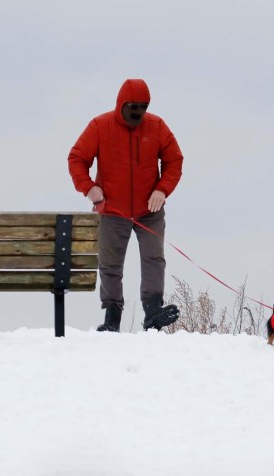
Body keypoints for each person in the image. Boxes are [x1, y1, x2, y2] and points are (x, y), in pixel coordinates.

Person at [68, 79, 184, 332]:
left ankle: (152, 310)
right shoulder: (100, 126)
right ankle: (112, 317)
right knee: (110, 264)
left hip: (149, 211)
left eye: (142, 107)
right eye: (133, 107)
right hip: (112, 210)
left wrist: (162, 190)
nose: (138, 113)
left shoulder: (157, 126)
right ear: (121, 104)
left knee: (154, 258)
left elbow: (174, 160)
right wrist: (89, 188)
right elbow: (77, 158)